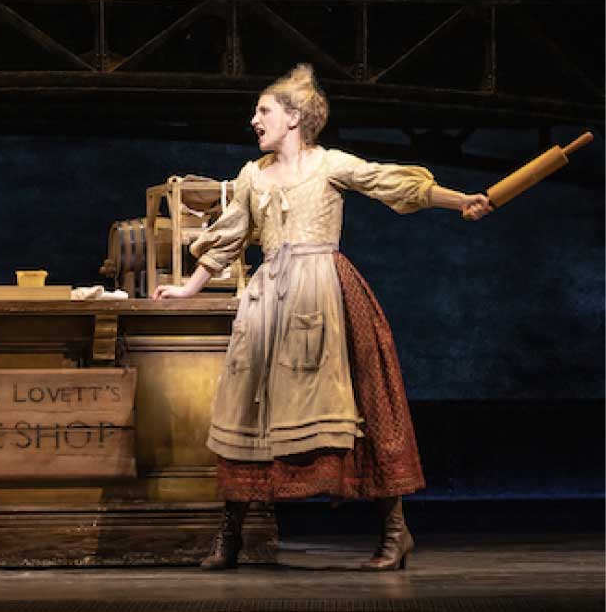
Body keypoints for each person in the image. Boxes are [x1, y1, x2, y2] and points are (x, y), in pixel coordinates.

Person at [153, 64, 491, 571]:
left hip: (325, 294)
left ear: (292, 118)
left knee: (364, 407)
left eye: (263, 110)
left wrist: (459, 199)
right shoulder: (251, 176)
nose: (253, 119)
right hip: (269, 301)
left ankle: (394, 533)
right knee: (248, 410)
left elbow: (390, 183)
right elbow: (228, 236)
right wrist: (187, 288)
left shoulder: (329, 164)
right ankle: (231, 537)